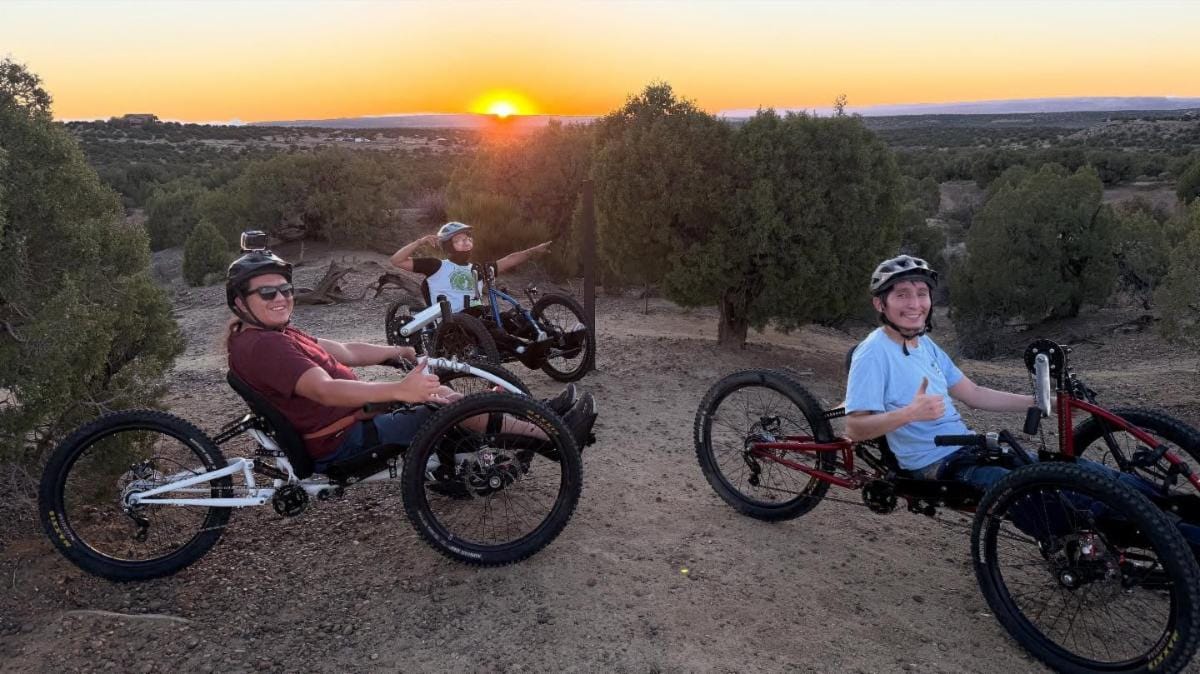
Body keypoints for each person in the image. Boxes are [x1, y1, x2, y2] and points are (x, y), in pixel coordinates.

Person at [224, 241, 595, 473]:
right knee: (449, 404)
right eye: (267, 293)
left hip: (353, 421)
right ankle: (554, 437)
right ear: (241, 303)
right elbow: (324, 390)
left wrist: (395, 352)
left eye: (285, 289)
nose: (281, 298)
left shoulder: (272, 334)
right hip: (345, 439)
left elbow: (346, 351)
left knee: (443, 395)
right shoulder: (266, 347)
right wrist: (401, 390)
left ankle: (543, 415)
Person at [389, 221, 552, 313]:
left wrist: (535, 251)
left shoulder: (477, 269)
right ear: (448, 246)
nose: (466, 242)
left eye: (468, 238)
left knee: (515, 317)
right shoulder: (436, 265)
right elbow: (397, 260)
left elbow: (510, 259)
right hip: (453, 321)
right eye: (459, 240)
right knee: (499, 333)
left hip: (478, 316)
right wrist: (419, 242)